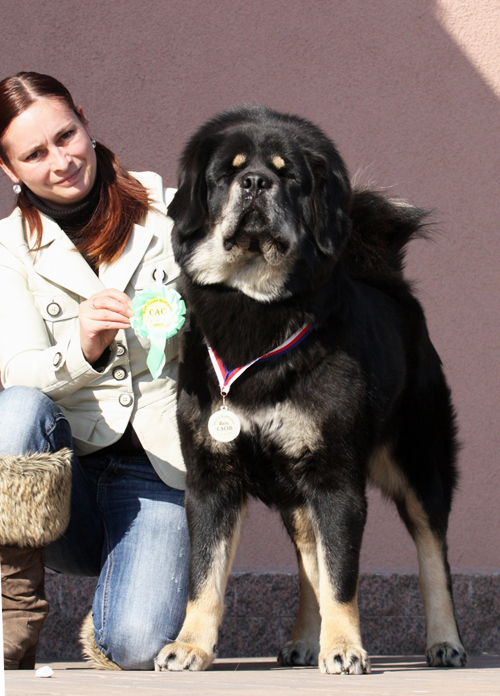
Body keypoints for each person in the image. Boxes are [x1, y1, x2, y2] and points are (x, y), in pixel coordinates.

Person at [0, 72, 189, 671]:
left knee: (132, 647)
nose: (60, 160)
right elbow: (20, 370)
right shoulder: (6, 248)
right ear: (9, 170)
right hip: (64, 484)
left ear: (84, 119)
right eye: (34, 153)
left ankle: (136, 580)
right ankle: (14, 619)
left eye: (66, 135)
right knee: (16, 408)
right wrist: (81, 346)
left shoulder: (173, 210)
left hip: (157, 468)